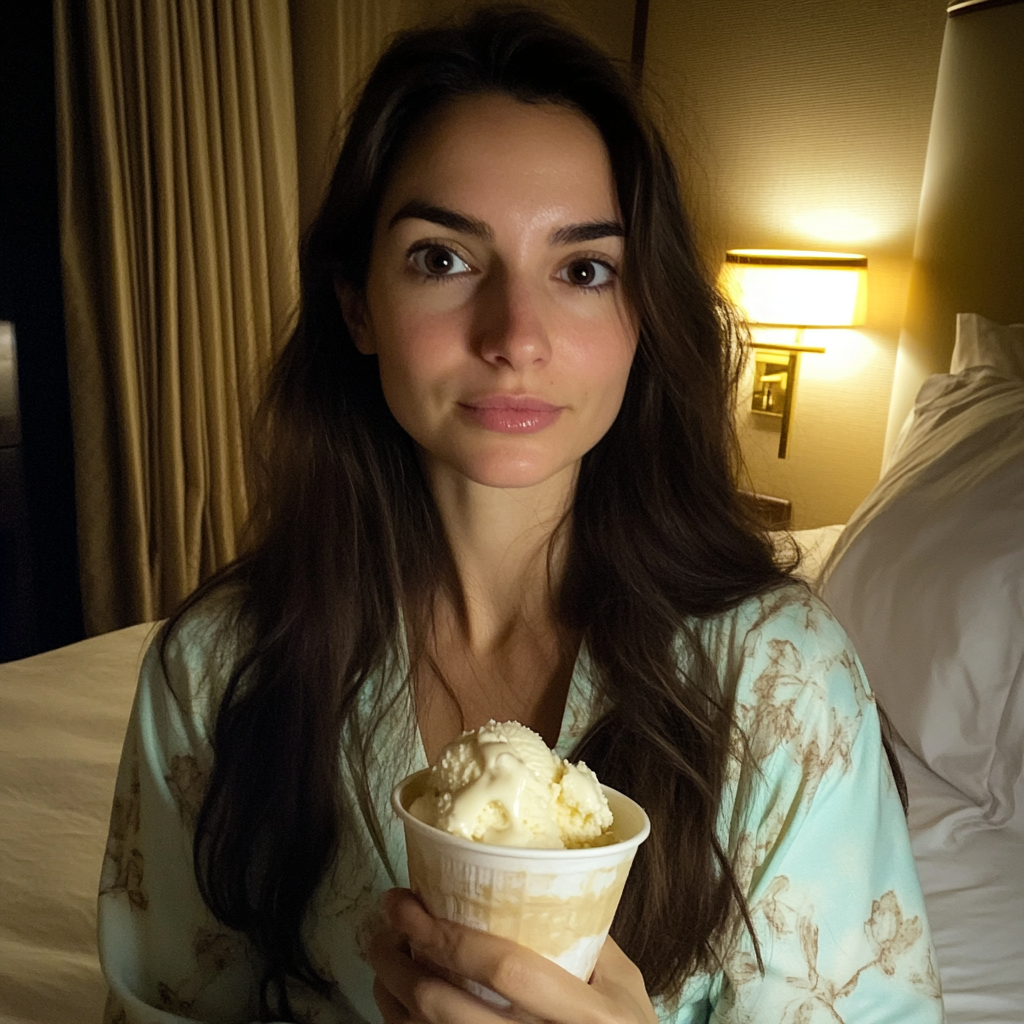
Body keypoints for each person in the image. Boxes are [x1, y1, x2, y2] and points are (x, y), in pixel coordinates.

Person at [98, 7, 944, 1023]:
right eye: (442, 259)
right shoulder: (215, 669)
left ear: (644, 316)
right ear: (358, 304)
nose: (515, 336)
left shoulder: (781, 685)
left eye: (583, 270)